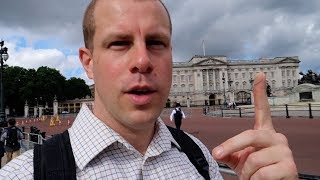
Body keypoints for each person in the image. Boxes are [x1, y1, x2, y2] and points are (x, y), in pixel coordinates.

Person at [0, 0, 298, 179]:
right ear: (89, 63)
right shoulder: (23, 175)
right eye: (119, 43)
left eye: (156, 43)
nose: (142, 61)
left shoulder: (200, 158)